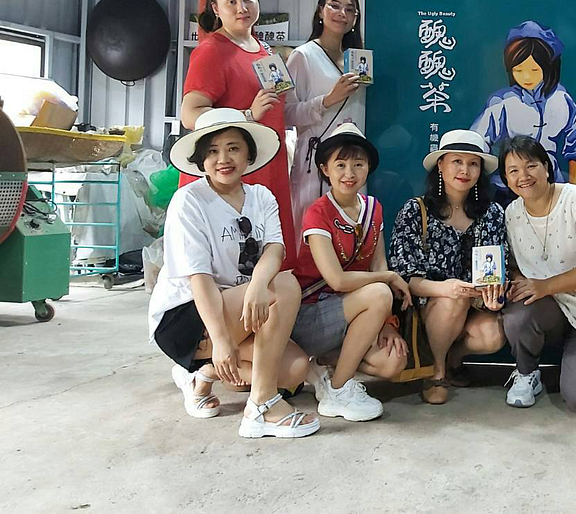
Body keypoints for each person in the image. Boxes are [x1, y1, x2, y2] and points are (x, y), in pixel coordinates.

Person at [149, 108, 319, 438]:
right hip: (187, 316)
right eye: (212, 151)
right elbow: (199, 279)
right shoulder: (189, 201)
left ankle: (202, 375)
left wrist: (258, 284)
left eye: (233, 148)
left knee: (295, 371)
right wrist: (222, 341)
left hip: (242, 305)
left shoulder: (261, 196)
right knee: (285, 285)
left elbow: (274, 249)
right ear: (201, 159)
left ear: (248, 154)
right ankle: (262, 406)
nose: (223, 159)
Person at [283, 123, 411, 421]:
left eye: (358, 164)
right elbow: (337, 280)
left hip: (351, 312)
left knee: (393, 362)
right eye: (340, 165)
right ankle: (339, 390)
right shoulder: (317, 212)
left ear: (368, 168)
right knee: (379, 292)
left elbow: (379, 264)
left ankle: (323, 366)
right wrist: (388, 279)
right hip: (308, 315)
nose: (349, 173)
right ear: (325, 169)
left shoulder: (373, 208)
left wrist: (387, 322)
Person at [179, 0, 297, 260]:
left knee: (271, 255)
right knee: (234, 262)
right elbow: (190, 114)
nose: (241, 8)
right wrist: (247, 115)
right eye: (231, 1)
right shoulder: (211, 52)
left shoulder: (264, 50)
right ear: (216, 8)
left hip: (266, 164)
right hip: (230, 171)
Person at [388, 129, 507, 404]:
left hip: (473, 304)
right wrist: (446, 289)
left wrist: (493, 295)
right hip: (428, 305)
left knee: (492, 335)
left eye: (473, 164)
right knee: (452, 300)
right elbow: (405, 277)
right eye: (457, 161)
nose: (465, 170)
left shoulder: (491, 213)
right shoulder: (415, 210)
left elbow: (497, 267)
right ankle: (437, 373)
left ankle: (453, 357)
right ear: (440, 165)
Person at [500, 135, 576, 414]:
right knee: (517, 314)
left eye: (531, 166)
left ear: (546, 166)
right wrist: (517, 281)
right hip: (549, 308)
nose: (523, 176)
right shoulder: (512, 213)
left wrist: (545, 285)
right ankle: (526, 373)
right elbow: (514, 265)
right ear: (505, 179)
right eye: (513, 170)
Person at [285, 0, 365, 253]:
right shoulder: (303, 56)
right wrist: (327, 100)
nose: (342, 13)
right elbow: (286, 113)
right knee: (312, 233)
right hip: (315, 162)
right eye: (335, 6)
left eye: (350, 10)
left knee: (351, 229)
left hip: (352, 160)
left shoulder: (357, 60)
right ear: (320, 11)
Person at [471, 21, 576, 198]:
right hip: (508, 189)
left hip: (552, 187)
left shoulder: (562, 99)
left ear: (548, 67)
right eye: (518, 70)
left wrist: (574, 193)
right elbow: (476, 144)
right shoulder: (501, 102)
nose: (526, 77)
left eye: (534, 69)